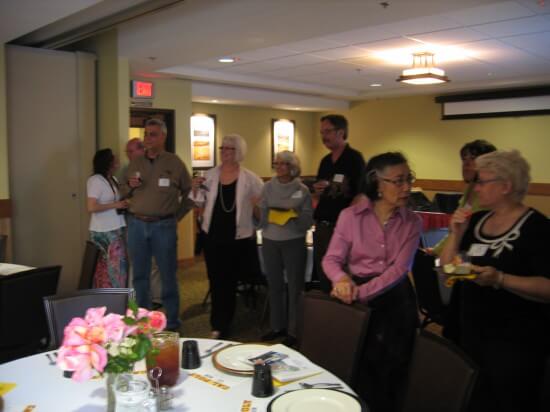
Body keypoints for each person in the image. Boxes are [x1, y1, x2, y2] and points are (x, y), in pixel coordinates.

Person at [440, 150, 550, 412]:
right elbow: (446, 271)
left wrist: (500, 279)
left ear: (506, 186)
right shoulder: (476, 221)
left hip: (516, 343)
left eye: (482, 182)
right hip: (471, 335)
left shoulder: (538, 228)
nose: (475, 188)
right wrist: (455, 235)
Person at [323, 152, 421, 412]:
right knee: (357, 365)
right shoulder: (350, 216)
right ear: (377, 182)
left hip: (396, 299)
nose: (407, 187)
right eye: (398, 181)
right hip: (356, 295)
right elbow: (331, 260)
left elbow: (399, 270)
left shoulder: (412, 221)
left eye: (408, 179)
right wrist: (342, 279)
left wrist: (358, 293)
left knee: (394, 371)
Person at [190, 134, 263, 339]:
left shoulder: (251, 179)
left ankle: (225, 323)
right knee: (215, 280)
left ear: (239, 152)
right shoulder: (210, 175)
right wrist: (195, 189)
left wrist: (256, 205)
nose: (224, 152)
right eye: (222, 148)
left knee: (230, 282)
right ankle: (217, 324)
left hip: (237, 239)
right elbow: (198, 203)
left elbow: (261, 213)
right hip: (212, 236)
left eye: (230, 149)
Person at [124, 118, 192, 332]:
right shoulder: (135, 163)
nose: (148, 138)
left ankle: (172, 322)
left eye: (153, 134)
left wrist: (175, 216)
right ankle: (144, 322)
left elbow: (190, 193)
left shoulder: (174, 162)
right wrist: (128, 185)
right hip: (136, 225)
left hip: (164, 226)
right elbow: (121, 192)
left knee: (167, 274)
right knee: (140, 277)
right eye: (146, 134)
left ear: (163, 136)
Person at [256, 151, 313, 346]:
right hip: (270, 240)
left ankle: (294, 331)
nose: (279, 167)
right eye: (276, 163)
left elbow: (307, 220)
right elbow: (262, 214)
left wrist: (292, 216)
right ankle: (276, 327)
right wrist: (259, 213)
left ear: (292, 167)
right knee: (275, 286)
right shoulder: (267, 187)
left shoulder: (302, 189)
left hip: (294, 241)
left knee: (295, 287)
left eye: (283, 164)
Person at [313, 114, 365, 293]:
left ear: (341, 132)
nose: (323, 136)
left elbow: (362, 195)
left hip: (343, 227)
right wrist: (318, 190)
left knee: (343, 274)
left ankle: (347, 315)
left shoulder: (354, 158)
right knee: (323, 272)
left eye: (327, 131)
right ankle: (328, 312)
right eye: (321, 132)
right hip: (322, 226)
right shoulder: (325, 161)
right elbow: (321, 191)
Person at [431, 139, 496, 255]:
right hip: (457, 254)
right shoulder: (469, 189)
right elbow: (455, 232)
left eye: (473, 159)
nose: (466, 164)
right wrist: (436, 250)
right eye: (464, 159)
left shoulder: (491, 195)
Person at [122, 138, 163, 309]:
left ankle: (157, 298)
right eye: (127, 152)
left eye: (131, 151)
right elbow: (121, 193)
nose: (128, 155)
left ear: (141, 150)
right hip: (134, 222)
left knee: (154, 263)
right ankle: (136, 301)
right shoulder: (126, 170)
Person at [86, 148, 129, 288]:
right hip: (103, 231)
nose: (117, 161)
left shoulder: (113, 179)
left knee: (116, 268)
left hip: (116, 228)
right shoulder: (95, 180)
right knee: (111, 269)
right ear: (107, 162)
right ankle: (115, 300)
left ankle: (115, 300)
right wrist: (116, 204)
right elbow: (91, 207)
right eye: (114, 159)